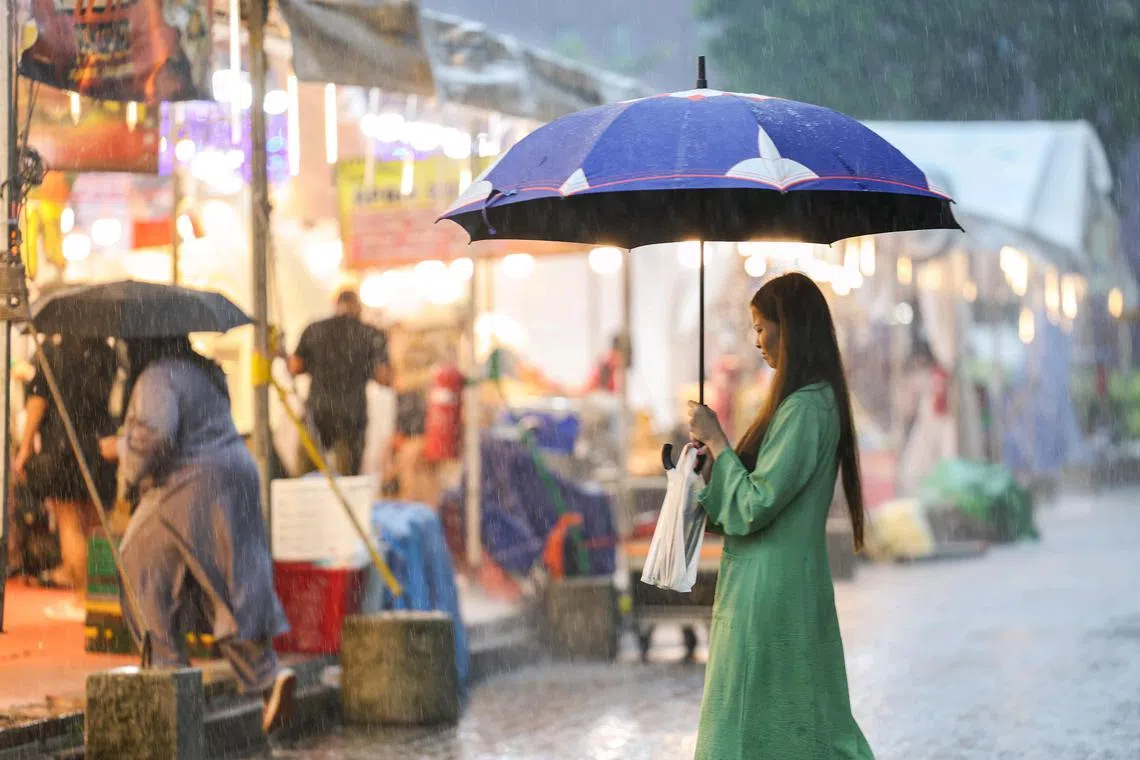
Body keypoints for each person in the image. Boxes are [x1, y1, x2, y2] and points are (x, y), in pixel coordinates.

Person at [685, 272, 874, 760]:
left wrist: (720, 440)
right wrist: (713, 462)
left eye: (762, 326)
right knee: (790, 717)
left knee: (773, 723)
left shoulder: (807, 408)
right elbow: (751, 495)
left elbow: (754, 505)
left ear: (790, 329)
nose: (757, 341)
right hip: (774, 585)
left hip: (773, 593)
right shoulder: (801, 404)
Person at [115, 337, 295, 735]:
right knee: (231, 584)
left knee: (138, 564)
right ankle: (267, 676)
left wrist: (123, 448)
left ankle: (166, 675)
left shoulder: (157, 377)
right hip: (235, 471)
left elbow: (155, 437)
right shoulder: (203, 371)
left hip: (189, 482)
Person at [14, 336, 118, 620]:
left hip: (63, 446)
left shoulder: (50, 351)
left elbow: (38, 401)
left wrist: (24, 447)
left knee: (69, 520)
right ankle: (103, 599)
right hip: (101, 444)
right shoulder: (106, 352)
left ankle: (83, 598)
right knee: (97, 526)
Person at [289, 288, 392, 476]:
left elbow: (295, 367)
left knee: (304, 478)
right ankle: (343, 504)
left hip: (318, 412)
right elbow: (384, 377)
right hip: (351, 415)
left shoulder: (314, 329)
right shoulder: (370, 334)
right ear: (358, 307)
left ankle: (306, 503)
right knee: (348, 482)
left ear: (335, 305)